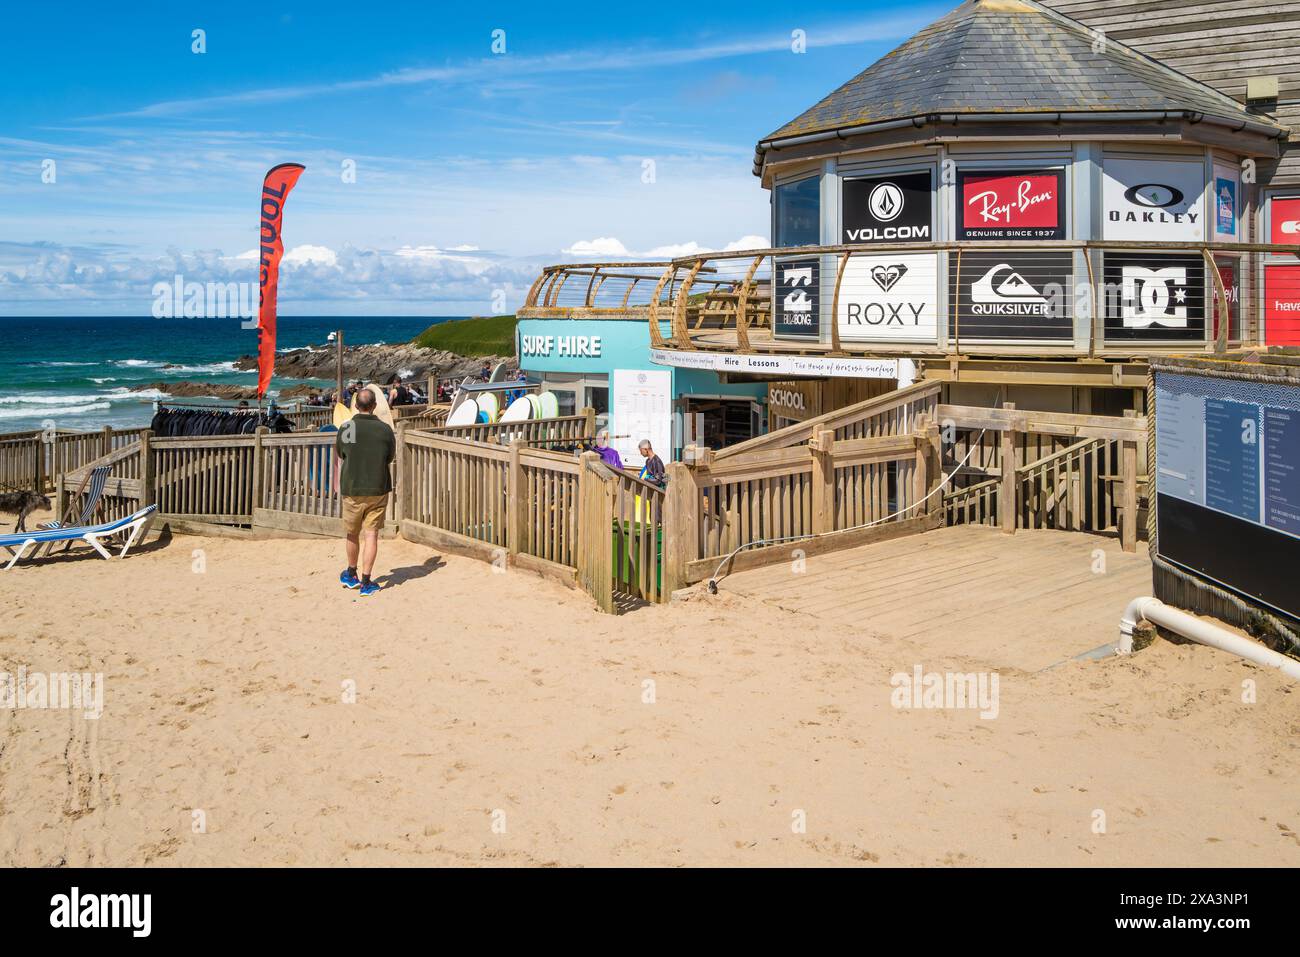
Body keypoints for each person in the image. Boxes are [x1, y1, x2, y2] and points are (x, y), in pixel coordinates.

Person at [336, 388, 395, 596]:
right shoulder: (384, 429)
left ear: (356, 406)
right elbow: (389, 457)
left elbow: (342, 453)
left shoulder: (347, 427)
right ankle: (367, 581)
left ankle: (351, 574)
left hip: (353, 487)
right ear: (374, 406)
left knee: (352, 533)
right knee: (371, 534)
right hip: (378, 487)